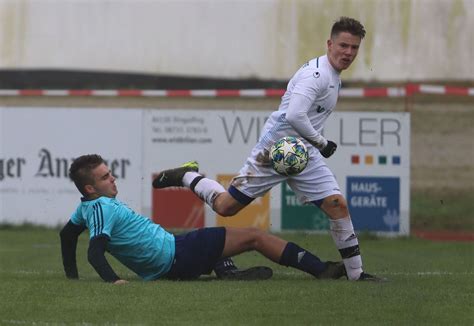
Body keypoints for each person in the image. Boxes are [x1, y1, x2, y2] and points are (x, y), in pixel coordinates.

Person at [153, 17, 384, 282]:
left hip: (303, 153)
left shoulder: (332, 75)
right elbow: (296, 116)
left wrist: (314, 145)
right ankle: (186, 175)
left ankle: (357, 276)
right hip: (275, 152)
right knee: (227, 207)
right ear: (329, 44)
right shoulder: (317, 76)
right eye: (344, 46)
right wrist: (322, 143)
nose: (349, 53)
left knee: (337, 205)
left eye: (354, 48)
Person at [60, 154, 346, 284]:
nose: (112, 178)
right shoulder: (101, 208)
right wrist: (113, 282)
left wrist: (71, 277)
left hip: (172, 253)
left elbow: (67, 235)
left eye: (110, 173)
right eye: (104, 177)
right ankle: (322, 269)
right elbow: (94, 251)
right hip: (175, 256)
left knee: (210, 237)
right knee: (255, 236)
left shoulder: (87, 207)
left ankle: (224, 268)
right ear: (90, 188)